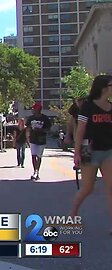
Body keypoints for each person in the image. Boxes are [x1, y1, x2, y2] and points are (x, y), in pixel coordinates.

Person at [70, 75, 112, 232]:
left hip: (108, 151)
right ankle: (73, 212)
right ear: (103, 88)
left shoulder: (111, 106)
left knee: (111, 188)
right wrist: (76, 153)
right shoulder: (88, 106)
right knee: (87, 188)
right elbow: (80, 131)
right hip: (91, 152)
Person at [26, 102, 51, 180]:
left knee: (39, 156)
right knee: (33, 156)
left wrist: (41, 130)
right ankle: (35, 171)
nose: (32, 110)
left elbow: (48, 129)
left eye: (34, 108)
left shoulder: (45, 118)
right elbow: (28, 128)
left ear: (38, 109)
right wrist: (27, 137)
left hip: (41, 139)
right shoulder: (30, 118)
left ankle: (37, 171)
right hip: (33, 139)